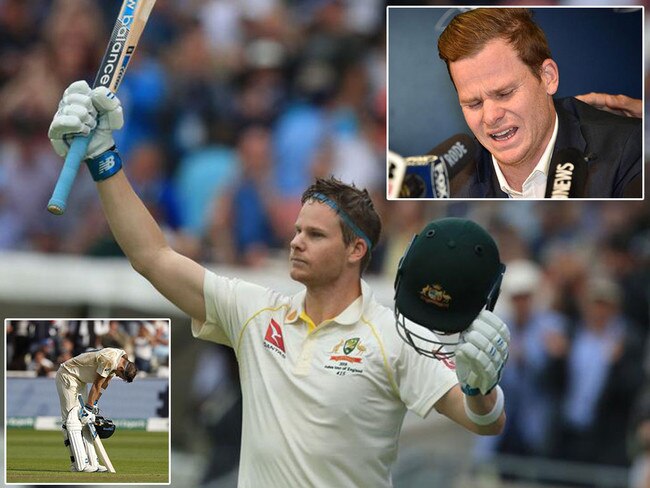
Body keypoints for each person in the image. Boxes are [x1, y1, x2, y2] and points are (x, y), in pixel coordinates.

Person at [48, 80, 510, 487]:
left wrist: (480, 388)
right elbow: (151, 257)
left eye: (314, 235)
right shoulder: (256, 312)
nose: (296, 243)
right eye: (296, 231)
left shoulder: (392, 336)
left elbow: (484, 422)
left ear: (356, 250)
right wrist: (103, 158)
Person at [437, 8, 642, 199]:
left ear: (548, 77)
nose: (490, 117)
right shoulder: (447, 184)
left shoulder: (629, 150)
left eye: (504, 93)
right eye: (473, 103)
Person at [54, 346, 137, 472]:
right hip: (67, 374)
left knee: (86, 421)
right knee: (71, 420)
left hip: (80, 380)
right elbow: (97, 384)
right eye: (121, 376)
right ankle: (79, 465)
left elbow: (105, 382)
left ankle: (93, 463)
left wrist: (94, 404)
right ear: (121, 369)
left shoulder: (123, 357)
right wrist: (88, 407)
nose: (119, 377)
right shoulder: (110, 360)